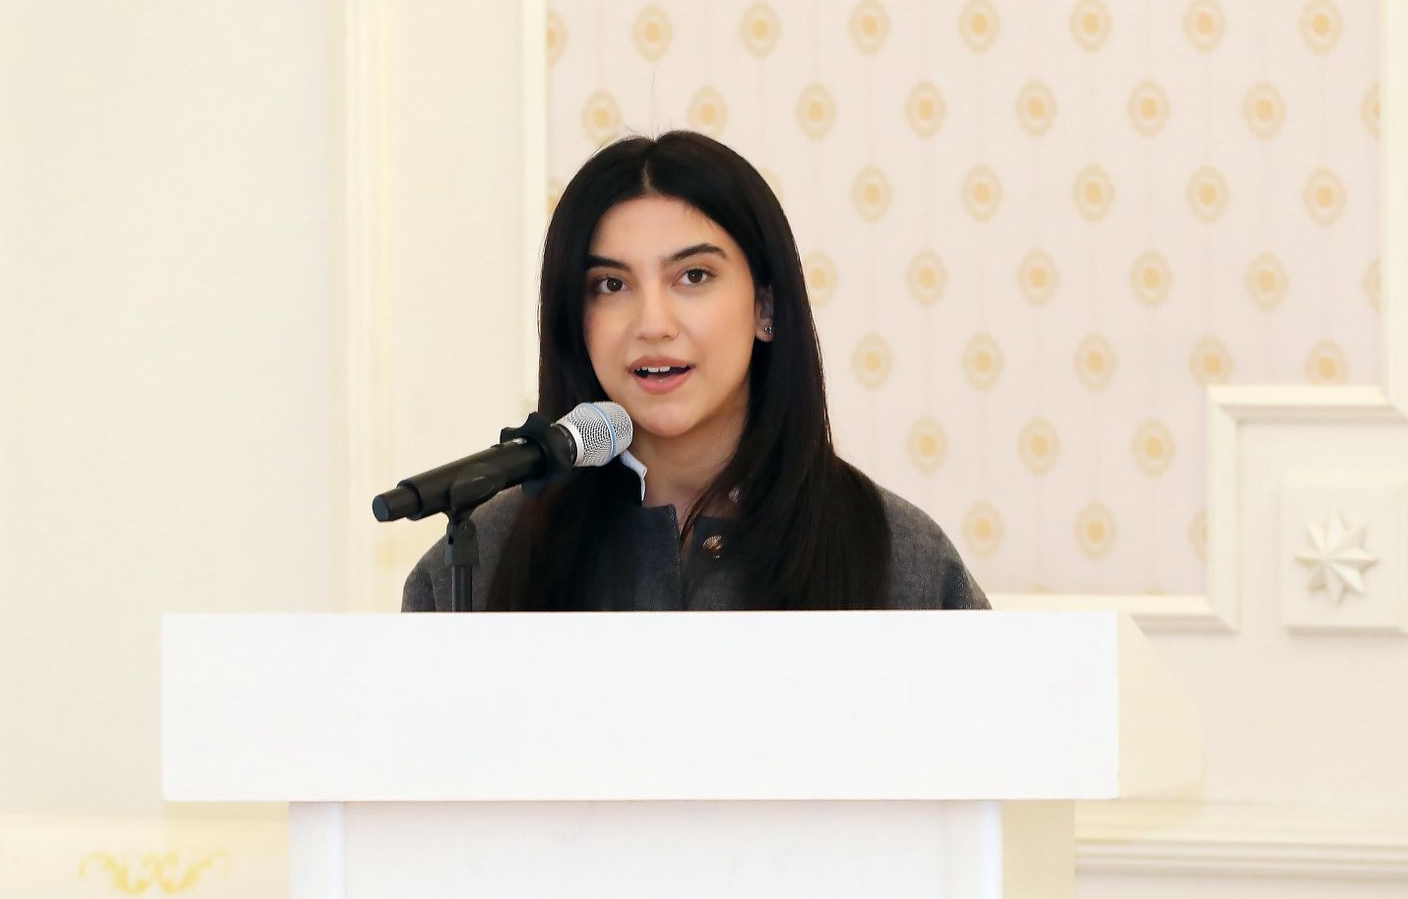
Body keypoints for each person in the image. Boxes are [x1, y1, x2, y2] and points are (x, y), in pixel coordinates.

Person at [401, 130, 988, 611]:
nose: (652, 323)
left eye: (694, 276)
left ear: (765, 308)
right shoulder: (477, 565)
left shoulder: (902, 559)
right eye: (611, 285)